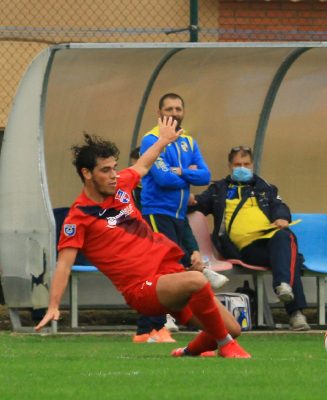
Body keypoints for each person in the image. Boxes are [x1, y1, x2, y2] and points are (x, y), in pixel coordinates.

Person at [35, 118, 251, 359]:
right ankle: (226, 345)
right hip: (142, 289)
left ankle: (189, 351)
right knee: (197, 281)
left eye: (114, 167)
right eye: (105, 170)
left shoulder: (122, 185)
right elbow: (63, 265)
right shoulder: (78, 217)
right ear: (86, 173)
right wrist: (53, 305)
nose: (113, 175)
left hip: (168, 275)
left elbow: (143, 165)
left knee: (233, 328)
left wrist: (164, 140)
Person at [189, 146, 310, 331]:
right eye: (238, 164)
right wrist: (186, 200)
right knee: (290, 256)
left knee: (286, 237)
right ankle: (295, 311)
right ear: (230, 166)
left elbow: (280, 206)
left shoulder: (265, 187)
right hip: (243, 250)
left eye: (246, 164)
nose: (242, 168)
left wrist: (282, 218)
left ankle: (284, 288)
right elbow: (199, 204)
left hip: (269, 243)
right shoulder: (218, 189)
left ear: (252, 165)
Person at [134, 93, 212, 343]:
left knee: (177, 265)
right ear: (160, 113)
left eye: (178, 108)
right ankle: (159, 324)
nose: (174, 112)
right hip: (157, 211)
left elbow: (206, 176)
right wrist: (187, 174)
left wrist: (180, 173)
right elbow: (163, 179)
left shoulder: (189, 141)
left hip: (179, 214)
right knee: (164, 269)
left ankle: (149, 328)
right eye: (169, 108)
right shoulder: (151, 139)